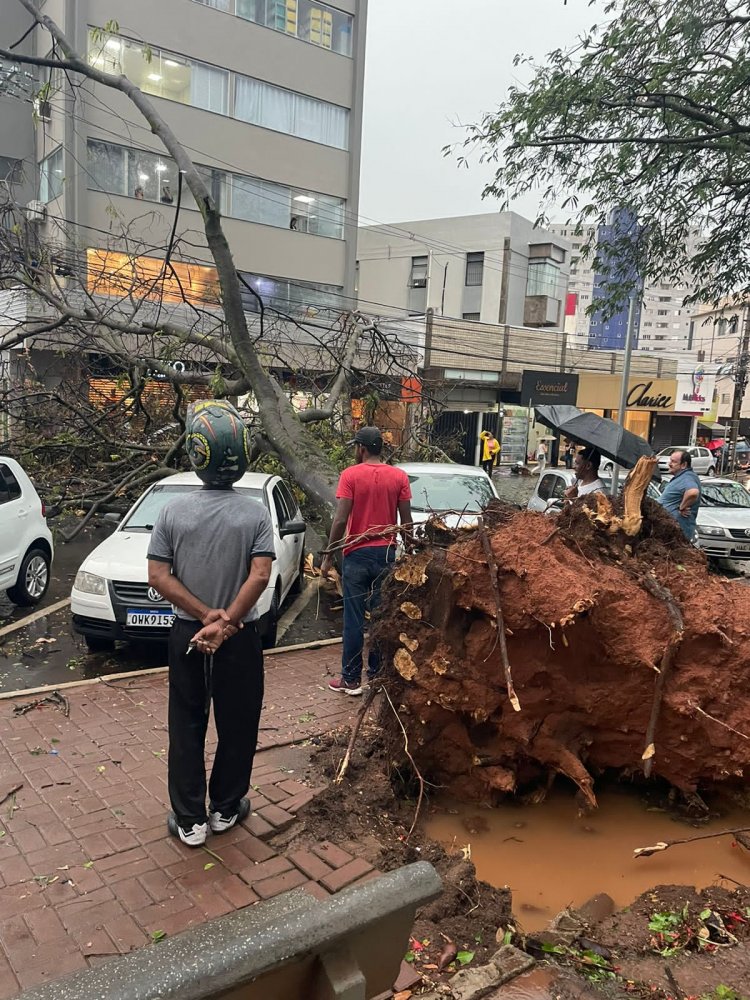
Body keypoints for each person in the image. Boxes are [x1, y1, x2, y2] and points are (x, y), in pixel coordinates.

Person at [147, 400, 275, 848]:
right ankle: (225, 808)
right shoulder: (256, 513)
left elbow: (158, 576)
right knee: (239, 722)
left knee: (186, 723)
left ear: (195, 455)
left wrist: (204, 617)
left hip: (188, 635)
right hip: (239, 637)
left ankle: (189, 820)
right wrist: (225, 622)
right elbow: (260, 574)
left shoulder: (171, 511)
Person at [321, 426, 412, 696]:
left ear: (361, 448)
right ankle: (376, 675)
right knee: (380, 617)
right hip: (386, 554)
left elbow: (339, 519)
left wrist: (328, 555)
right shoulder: (398, 476)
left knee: (354, 620)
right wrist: (410, 551)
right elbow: (406, 521)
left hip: (356, 554)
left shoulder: (350, 475)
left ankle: (350, 680)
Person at [657, 449, 702, 540]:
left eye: (673, 462)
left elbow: (693, 492)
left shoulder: (687, 477)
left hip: (677, 533)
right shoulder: (681, 477)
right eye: (670, 460)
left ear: (683, 465)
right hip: (670, 530)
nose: (669, 464)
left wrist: (682, 507)